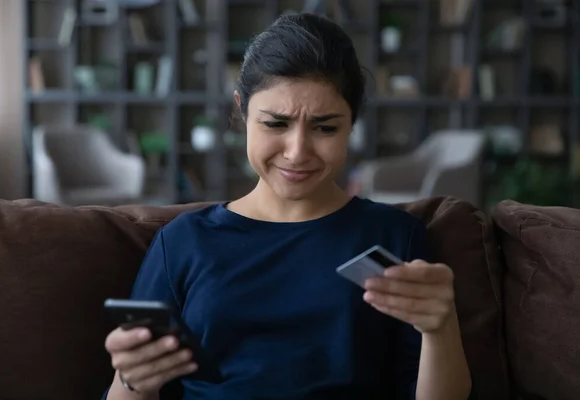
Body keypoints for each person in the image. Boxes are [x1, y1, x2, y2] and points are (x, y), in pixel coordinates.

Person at [102, 13, 472, 400]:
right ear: (242, 111)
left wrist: (440, 327)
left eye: (325, 128)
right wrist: (134, 380)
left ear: (352, 123)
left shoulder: (396, 236)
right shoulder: (181, 242)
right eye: (275, 124)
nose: (297, 153)